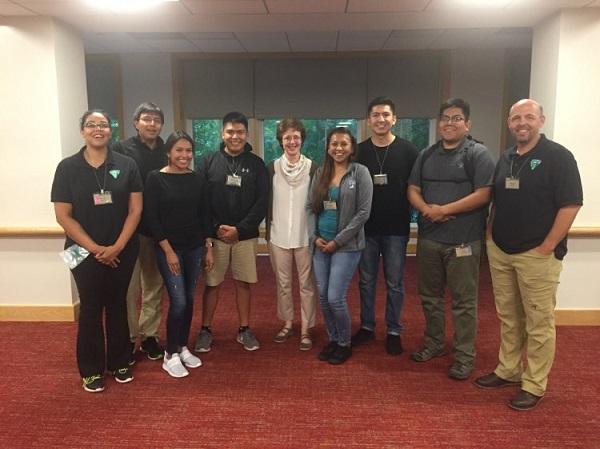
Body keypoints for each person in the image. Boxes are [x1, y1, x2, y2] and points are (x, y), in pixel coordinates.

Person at [474, 99, 583, 411]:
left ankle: (534, 383)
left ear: (541, 120)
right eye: (516, 118)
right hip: (502, 250)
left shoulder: (558, 157)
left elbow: (571, 204)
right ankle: (508, 369)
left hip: (537, 254)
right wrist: (491, 235)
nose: (522, 123)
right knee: (509, 317)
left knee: (538, 321)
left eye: (529, 117)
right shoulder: (506, 157)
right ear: (509, 123)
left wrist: (547, 245)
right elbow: (497, 199)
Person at [51, 110, 143, 392]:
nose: (98, 129)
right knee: (90, 308)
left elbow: (135, 209)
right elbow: (63, 216)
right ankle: (91, 370)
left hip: (122, 249)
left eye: (103, 124)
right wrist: (94, 248)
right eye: (91, 125)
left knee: (117, 304)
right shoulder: (67, 167)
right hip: (80, 251)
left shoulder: (126, 164)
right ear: (82, 132)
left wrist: (116, 247)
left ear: (110, 131)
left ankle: (119, 361)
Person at [407, 98, 495, 380]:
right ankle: (434, 344)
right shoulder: (427, 154)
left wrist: (444, 209)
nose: (449, 123)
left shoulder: (478, 154)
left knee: (463, 301)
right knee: (430, 297)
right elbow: (413, 188)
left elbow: (484, 194)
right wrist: (426, 210)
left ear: (467, 124)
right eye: (445, 117)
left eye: (457, 118)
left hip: (464, 242)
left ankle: (464, 356)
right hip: (430, 239)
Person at [195, 112, 269, 352]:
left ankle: (244, 329)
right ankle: (205, 329)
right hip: (215, 237)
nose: (235, 136)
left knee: (244, 283)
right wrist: (215, 229)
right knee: (212, 283)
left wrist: (240, 229)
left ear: (246, 134)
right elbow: (201, 200)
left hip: (244, 237)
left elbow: (262, 201)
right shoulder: (208, 161)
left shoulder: (256, 164)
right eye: (230, 132)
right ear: (222, 133)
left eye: (240, 132)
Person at [351, 96, 419, 355]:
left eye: (385, 115)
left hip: (396, 229)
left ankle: (393, 330)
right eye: (376, 115)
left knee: (395, 283)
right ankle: (367, 326)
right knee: (366, 282)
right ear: (369, 121)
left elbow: (416, 187)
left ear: (394, 119)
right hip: (365, 229)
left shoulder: (409, 151)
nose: (381, 119)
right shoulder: (358, 151)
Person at [144, 131, 214, 378]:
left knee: (190, 300)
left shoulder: (196, 180)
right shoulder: (155, 179)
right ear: (169, 152)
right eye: (179, 150)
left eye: (188, 151)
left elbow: (204, 215)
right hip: (168, 249)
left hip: (195, 247)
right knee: (179, 301)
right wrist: (168, 250)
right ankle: (170, 354)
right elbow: (151, 217)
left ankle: (183, 346)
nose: (184, 155)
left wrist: (208, 247)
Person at [310, 127, 373, 365]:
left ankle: (345, 343)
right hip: (320, 243)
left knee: (336, 297)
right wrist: (314, 237)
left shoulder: (360, 173)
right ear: (328, 147)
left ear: (352, 147)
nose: (338, 148)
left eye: (343, 144)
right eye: (334, 143)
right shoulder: (321, 173)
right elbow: (310, 207)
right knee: (324, 298)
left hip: (346, 246)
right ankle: (333, 339)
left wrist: (337, 241)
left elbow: (363, 213)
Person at [112, 102, 167, 363]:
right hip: (128, 228)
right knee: (128, 288)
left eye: (157, 120)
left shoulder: (167, 150)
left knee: (154, 285)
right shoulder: (121, 149)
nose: (152, 124)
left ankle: (149, 336)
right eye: (147, 119)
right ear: (136, 122)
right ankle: (128, 337)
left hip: (156, 229)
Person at [266, 118, 319, 351]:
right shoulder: (272, 168)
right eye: (287, 137)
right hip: (278, 236)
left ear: (302, 139)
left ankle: (306, 328)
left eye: (296, 136)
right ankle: (288, 323)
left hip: (305, 236)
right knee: (284, 283)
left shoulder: (313, 168)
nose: (292, 141)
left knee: (307, 284)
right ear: (281, 140)